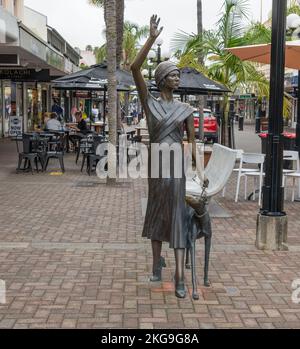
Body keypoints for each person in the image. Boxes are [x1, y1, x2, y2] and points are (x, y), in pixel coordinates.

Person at [131, 15, 197, 299]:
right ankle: (157, 265)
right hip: (156, 165)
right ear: (161, 80)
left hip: (176, 169)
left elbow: (193, 142)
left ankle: (180, 276)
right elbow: (134, 67)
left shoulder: (185, 109)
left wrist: (198, 171)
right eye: (172, 74)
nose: (177, 78)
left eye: (178, 75)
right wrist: (151, 39)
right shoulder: (150, 104)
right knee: (157, 214)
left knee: (178, 217)